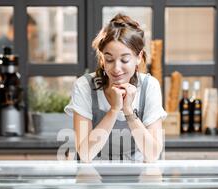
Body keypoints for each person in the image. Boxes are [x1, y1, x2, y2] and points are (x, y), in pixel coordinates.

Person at [64, 14, 167, 162]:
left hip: (137, 176)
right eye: (109, 59)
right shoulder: (84, 86)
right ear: (102, 58)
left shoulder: (149, 86)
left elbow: (152, 155)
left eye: (125, 59)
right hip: (93, 176)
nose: (116, 68)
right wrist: (114, 109)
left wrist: (128, 111)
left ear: (139, 57)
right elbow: (85, 154)